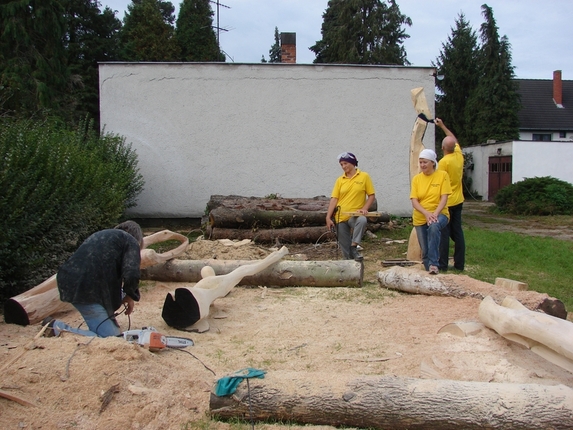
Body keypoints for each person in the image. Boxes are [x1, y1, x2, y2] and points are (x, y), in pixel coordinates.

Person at [42, 221, 144, 338]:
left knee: (110, 320)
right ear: (138, 240)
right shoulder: (130, 241)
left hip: (69, 279)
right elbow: (132, 274)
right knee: (112, 338)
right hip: (87, 288)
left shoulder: (103, 236)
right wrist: (131, 295)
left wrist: (124, 295)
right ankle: (57, 328)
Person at [162, 246, 289, 330]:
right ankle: (279, 254)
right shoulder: (216, 287)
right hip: (202, 295)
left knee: (240, 272)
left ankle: (279, 253)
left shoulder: (211, 286)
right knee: (241, 272)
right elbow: (246, 270)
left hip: (202, 294)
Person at [326, 152, 376, 261]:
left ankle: (354, 245)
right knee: (345, 250)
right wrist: (328, 217)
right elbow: (334, 199)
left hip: (354, 215)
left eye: (345, 163)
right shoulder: (340, 180)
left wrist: (364, 208)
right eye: (341, 165)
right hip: (340, 216)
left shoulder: (364, 177)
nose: (343, 167)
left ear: (353, 163)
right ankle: (349, 269)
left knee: (362, 220)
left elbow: (371, 196)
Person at [410, 149, 451, 274]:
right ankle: (430, 271)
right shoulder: (417, 179)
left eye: (425, 162)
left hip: (439, 213)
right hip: (421, 216)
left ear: (433, 163)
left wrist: (435, 214)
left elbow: (444, 197)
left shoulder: (442, 175)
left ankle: (434, 264)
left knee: (434, 226)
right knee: (425, 250)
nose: (422, 165)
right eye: (420, 162)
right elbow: (414, 200)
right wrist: (426, 213)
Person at [435, 118, 466, 271]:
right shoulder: (459, 155)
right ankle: (459, 264)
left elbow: (440, 183)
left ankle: (443, 265)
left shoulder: (443, 162)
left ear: (442, 148)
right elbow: (453, 139)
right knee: (458, 233)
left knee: (444, 233)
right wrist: (442, 126)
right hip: (459, 200)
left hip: (447, 202)